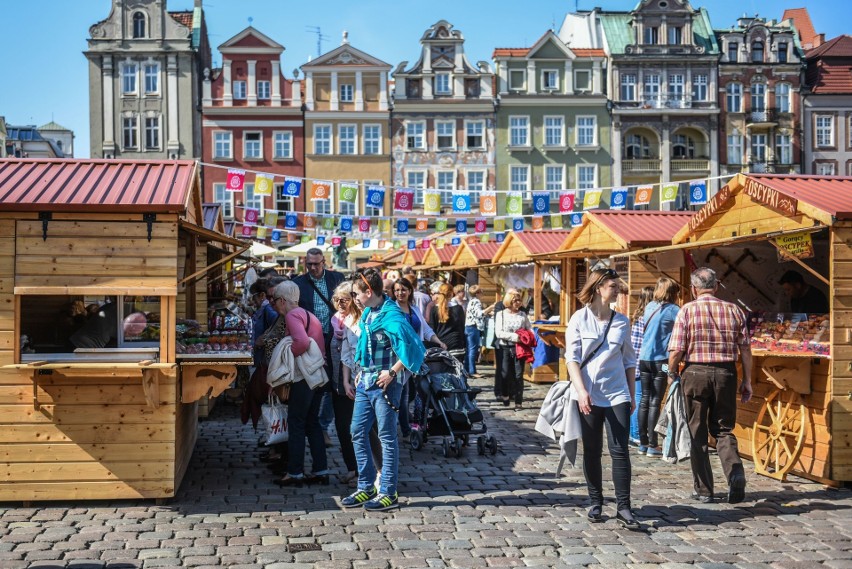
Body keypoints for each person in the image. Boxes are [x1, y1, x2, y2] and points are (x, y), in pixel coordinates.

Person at [341, 270, 425, 511]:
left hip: (386, 385)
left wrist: (393, 372)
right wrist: (361, 369)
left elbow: (414, 348)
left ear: (369, 292)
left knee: (387, 437)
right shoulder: (369, 313)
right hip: (366, 382)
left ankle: (388, 490)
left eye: (356, 293)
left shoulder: (393, 316)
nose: (353, 298)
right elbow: (366, 347)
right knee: (357, 431)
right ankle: (366, 486)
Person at [668, 267, 752, 504]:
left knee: (697, 431)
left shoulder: (687, 310)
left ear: (694, 289)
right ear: (716, 286)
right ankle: (735, 473)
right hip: (726, 373)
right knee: (724, 429)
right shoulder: (734, 310)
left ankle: (704, 490)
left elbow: (676, 350)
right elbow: (745, 348)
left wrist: (671, 372)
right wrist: (747, 379)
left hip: (695, 372)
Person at [565, 268, 639, 530]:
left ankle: (624, 507)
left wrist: (630, 393)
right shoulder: (578, 319)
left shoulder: (622, 321)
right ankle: (595, 501)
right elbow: (572, 358)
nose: (617, 289)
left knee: (620, 450)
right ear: (598, 288)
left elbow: (630, 360)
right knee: (593, 450)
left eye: (617, 285)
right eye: (612, 285)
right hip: (588, 393)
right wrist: (581, 390)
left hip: (617, 391)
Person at [264, 281, 329, 487]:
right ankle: (321, 470)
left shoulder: (292, 316)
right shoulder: (307, 314)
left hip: (304, 378)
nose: (275, 306)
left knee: (297, 423)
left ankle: (295, 473)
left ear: (283, 300)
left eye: (275, 301)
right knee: (312, 423)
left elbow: (300, 342)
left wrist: (285, 359)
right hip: (317, 375)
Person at [293, 248, 345, 447]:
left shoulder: (337, 279)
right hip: (312, 342)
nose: (313, 268)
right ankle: (313, 426)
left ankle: (323, 426)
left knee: (335, 385)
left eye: (317, 264)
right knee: (314, 383)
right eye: (309, 264)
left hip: (336, 339)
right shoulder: (298, 283)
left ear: (324, 262)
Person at [393, 277, 446, 437]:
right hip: (400, 358)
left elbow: (426, 329)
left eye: (403, 289)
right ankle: (406, 430)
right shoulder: (392, 310)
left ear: (410, 291)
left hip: (417, 357)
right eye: (397, 290)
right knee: (402, 396)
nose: (400, 293)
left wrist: (438, 342)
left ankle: (416, 424)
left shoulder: (414, 309)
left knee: (419, 393)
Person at [638, 277, 681, 457]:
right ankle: (652, 444)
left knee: (645, 399)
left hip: (644, 360)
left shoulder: (650, 307)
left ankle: (643, 442)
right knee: (656, 400)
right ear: (673, 292)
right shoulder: (674, 311)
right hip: (661, 362)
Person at [494, 289, 532, 410]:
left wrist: (528, 337)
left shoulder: (522, 315)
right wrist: (516, 337)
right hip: (505, 347)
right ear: (509, 301)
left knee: (519, 374)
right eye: (515, 300)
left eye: (519, 300)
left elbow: (529, 328)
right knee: (505, 373)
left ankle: (518, 402)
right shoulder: (501, 314)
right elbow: (499, 333)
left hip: (519, 348)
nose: (518, 302)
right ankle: (505, 395)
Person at [629, 286, 654, 447]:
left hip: (634, 363)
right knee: (640, 398)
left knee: (636, 398)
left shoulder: (637, 316)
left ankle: (632, 433)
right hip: (643, 363)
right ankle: (638, 434)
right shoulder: (648, 317)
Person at [429, 283, 467, 364]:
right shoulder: (458, 308)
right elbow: (462, 327)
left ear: (439, 293)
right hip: (456, 345)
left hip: (441, 346)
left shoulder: (434, 310)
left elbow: (432, 330)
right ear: (451, 294)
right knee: (458, 373)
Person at [249, 279, 279, 368]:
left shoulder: (268, 309)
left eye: (253, 297)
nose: (252, 300)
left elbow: (278, 329)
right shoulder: (262, 309)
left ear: (262, 295)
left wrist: (263, 339)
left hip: (266, 359)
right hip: (262, 357)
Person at [464, 285, 485, 377]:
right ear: (477, 293)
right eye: (481, 291)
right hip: (473, 326)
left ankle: (467, 370)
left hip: (468, 326)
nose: (483, 293)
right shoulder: (477, 301)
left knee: (469, 349)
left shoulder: (471, 301)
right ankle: (472, 371)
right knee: (473, 349)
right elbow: (479, 314)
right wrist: (490, 308)